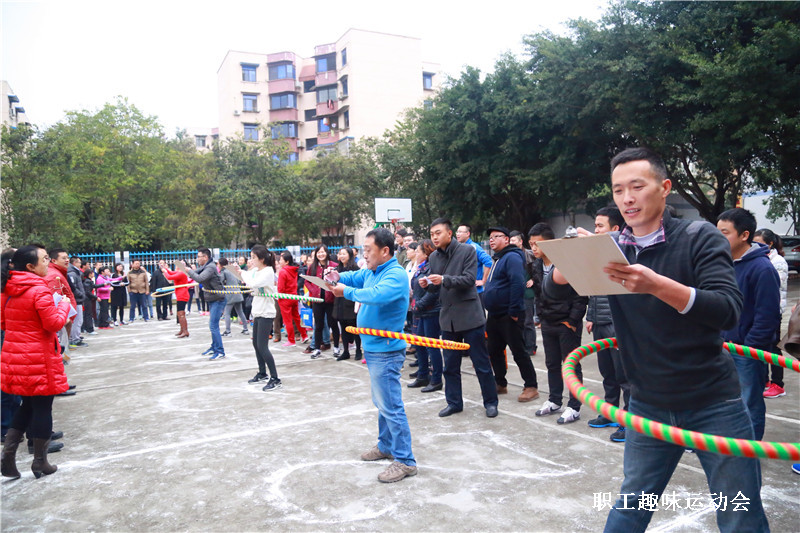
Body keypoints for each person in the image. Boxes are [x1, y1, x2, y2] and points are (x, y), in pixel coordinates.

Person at [545, 147, 767, 532]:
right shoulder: (613, 248)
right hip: (648, 402)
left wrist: (658, 286)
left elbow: (728, 310)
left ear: (664, 188)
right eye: (618, 190)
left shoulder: (700, 237)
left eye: (637, 186)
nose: (627, 198)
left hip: (713, 402)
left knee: (739, 511)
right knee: (631, 506)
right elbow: (553, 290)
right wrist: (565, 268)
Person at [326, 228, 417, 482]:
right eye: (363, 250)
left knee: (391, 406)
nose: (364, 255)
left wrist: (345, 291)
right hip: (374, 348)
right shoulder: (372, 271)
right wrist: (336, 275)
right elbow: (354, 276)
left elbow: (376, 296)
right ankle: (386, 445)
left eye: (368, 250)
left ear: (385, 251)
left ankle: (406, 460)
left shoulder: (395, 275)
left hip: (386, 351)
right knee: (382, 403)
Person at [1, 245, 71, 479]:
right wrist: (63, 305)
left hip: (15, 356)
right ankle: (40, 462)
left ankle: (7, 457)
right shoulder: (39, 290)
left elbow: (3, 323)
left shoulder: (7, 288)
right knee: (42, 407)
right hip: (38, 358)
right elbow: (53, 323)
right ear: (30, 266)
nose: (48, 263)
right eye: (44, 259)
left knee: (27, 406)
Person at [420, 218, 499, 418]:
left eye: (438, 233)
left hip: (470, 316)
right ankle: (454, 403)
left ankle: (491, 402)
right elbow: (436, 287)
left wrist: (443, 279)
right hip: (448, 319)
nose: (434, 237)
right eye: (432, 234)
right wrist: (428, 284)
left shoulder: (467, 251)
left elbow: (469, 279)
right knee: (450, 366)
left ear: (449, 233)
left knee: (481, 364)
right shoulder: (433, 257)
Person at [717, 208, 780, 442]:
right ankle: (728, 445)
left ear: (744, 235)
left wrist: (750, 348)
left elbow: (768, 316)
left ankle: (749, 449)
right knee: (723, 401)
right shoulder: (723, 264)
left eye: (724, 233)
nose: (718, 238)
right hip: (722, 347)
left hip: (747, 351)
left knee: (749, 402)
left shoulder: (762, 269)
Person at [529, 223, 588, 424]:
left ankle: (574, 406)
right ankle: (555, 400)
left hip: (566, 323)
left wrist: (572, 321)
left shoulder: (566, 263)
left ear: (551, 243)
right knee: (552, 363)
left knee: (571, 364)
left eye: (537, 244)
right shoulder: (536, 265)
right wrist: (541, 317)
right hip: (548, 322)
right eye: (531, 244)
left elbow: (581, 294)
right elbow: (538, 294)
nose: (534, 248)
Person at [585, 206, 630, 442]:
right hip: (600, 322)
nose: (595, 230)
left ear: (615, 229)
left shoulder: (622, 256)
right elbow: (594, 290)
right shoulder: (598, 257)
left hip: (617, 324)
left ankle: (629, 421)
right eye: (595, 226)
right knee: (607, 372)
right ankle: (609, 412)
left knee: (625, 376)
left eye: (600, 226)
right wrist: (591, 316)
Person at [483, 226, 539, 403]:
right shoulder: (499, 258)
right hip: (495, 314)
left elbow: (517, 283)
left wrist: (514, 311)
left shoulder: (512, 257)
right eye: (490, 237)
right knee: (494, 350)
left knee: (519, 351)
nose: (491, 240)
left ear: (506, 239)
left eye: (496, 236)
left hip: (509, 314)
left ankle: (531, 386)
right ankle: (500, 382)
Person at [236, 245, 281, 390]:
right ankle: (262, 373)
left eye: (253, 257)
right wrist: (240, 272)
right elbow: (248, 279)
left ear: (262, 259)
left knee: (262, 346)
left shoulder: (268, 271)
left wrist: (243, 274)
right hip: (257, 310)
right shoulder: (255, 271)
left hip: (266, 312)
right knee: (256, 344)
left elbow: (253, 283)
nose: (251, 260)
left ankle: (275, 378)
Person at [753, 229, 789, 398]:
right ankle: (766, 380)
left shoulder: (778, 261)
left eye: (760, 243)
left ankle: (778, 384)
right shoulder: (762, 259)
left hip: (773, 310)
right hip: (760, 309)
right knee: (763, 347)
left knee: (773, 347)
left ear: (770, 243)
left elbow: (775, 285)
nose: (756, 246)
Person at [409, 239, 443, 391]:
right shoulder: (420, 268)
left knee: (432, 346)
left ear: (426, 253)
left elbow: (433, 292)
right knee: (420, 344)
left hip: (431, 311)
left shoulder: (431, 268)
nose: (415, 254)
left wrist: (420, 304)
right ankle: (422, 375)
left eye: (418, 251)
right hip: (421, 311)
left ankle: (436, 379)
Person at [183, 248, 226, 360]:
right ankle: (214, 347)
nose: (197, 259)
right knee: (213, 325)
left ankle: (220, 351)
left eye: (199, 256)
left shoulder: (210, 267)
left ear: (205, 257)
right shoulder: (206, 266)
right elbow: (195, 273)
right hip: (212, 298)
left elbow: (200, 278)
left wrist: (189, 271)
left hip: (218, 299)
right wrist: (186, 270)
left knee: (213, 326)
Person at [305, 245, 340, 359]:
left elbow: (339, 280)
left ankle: (336, 347)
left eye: (323, 252)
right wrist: (313, 290)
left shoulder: (334, 266)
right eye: (318, 252)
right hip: (317, 300)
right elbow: (307, 281)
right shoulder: (313, 266)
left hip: (331, 300)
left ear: (327, 253)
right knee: (318, 325)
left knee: (333, 324)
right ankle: (317, 349)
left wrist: (333, 288)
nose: (321, 254)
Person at [511, 230, 538, 357]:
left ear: (520, 242)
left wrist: (533, 279)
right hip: (515, 293)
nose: (511, 243)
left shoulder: (530, 255)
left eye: (513, 240)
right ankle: (521, 346)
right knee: (518, 322)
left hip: (527, 293)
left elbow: (538, 270)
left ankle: (531, 347)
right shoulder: (510, 256)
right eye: (510, 240)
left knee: (528, 321)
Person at [333, 246, 361, 361]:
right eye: (340, 254)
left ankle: (358, 349)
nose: (342, 256)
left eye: (344, 254)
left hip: (351, 301)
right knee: (343, 327)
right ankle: (346, 351)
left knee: (355, 327)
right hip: (340, 302)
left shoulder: (355, 269)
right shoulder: (337, 269)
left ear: (350, 255)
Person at [455, 224, 494, 306]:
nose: (458, 234)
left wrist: (483, 280)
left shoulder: (474, 247)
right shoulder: (459, 248)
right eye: (457, 232)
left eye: (460, 232)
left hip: (475, 291)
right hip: (463, 290)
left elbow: (488, 261)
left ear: (468, 234)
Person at [276, 251, 307, 346]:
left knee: (287, 320)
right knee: (297, 317)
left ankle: (291, 340)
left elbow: (281, 288)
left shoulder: (283, 271)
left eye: (281, 260)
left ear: (286, 261)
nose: (279, 261)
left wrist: (279, 296)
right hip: (294, 296)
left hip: (285, 298)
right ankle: (304, 335)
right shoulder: (293, 269)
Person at [218, 258, 249, 337]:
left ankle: (228, 331)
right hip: (238, 293)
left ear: (221, 265)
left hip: (230, 294)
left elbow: (220, 281)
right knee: (240, 312)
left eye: (218, 264)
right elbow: (239, 281)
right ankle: (245, 329)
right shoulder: (233, 270)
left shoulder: (224, 271)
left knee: (227, 313)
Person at [161, 262, 191, 338]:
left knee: (181, 314)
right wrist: (165, 269)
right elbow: (171, 272)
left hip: (182, 295)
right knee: (179, 313)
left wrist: (165, 272)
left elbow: (169, 277)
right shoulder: (179, 272)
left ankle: (185, 331)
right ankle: (182, 330)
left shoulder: (182, 273)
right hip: (180, 294)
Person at [66, 256, 87, 348]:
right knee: (77, 321)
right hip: (76, 300)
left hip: (77, 299)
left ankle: (75, 337)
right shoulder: (72, 273)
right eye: (79, 262)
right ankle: (74, 339)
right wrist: (80, 294)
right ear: (74, 263)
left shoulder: (75, 272)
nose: (80, 264)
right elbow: (72, 287)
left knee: (78, 320)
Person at [81, 269, 97, 335]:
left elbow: (94, 286)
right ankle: (90, 329)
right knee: (88, 314)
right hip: (87, 300)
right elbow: (88, 292)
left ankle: (86, 328)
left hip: (87, 299)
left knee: (86, 314)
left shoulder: (88, 281)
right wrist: (96, 297)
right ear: (90, 274)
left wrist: (104, 284)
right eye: (92, 273)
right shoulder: (87, 281)